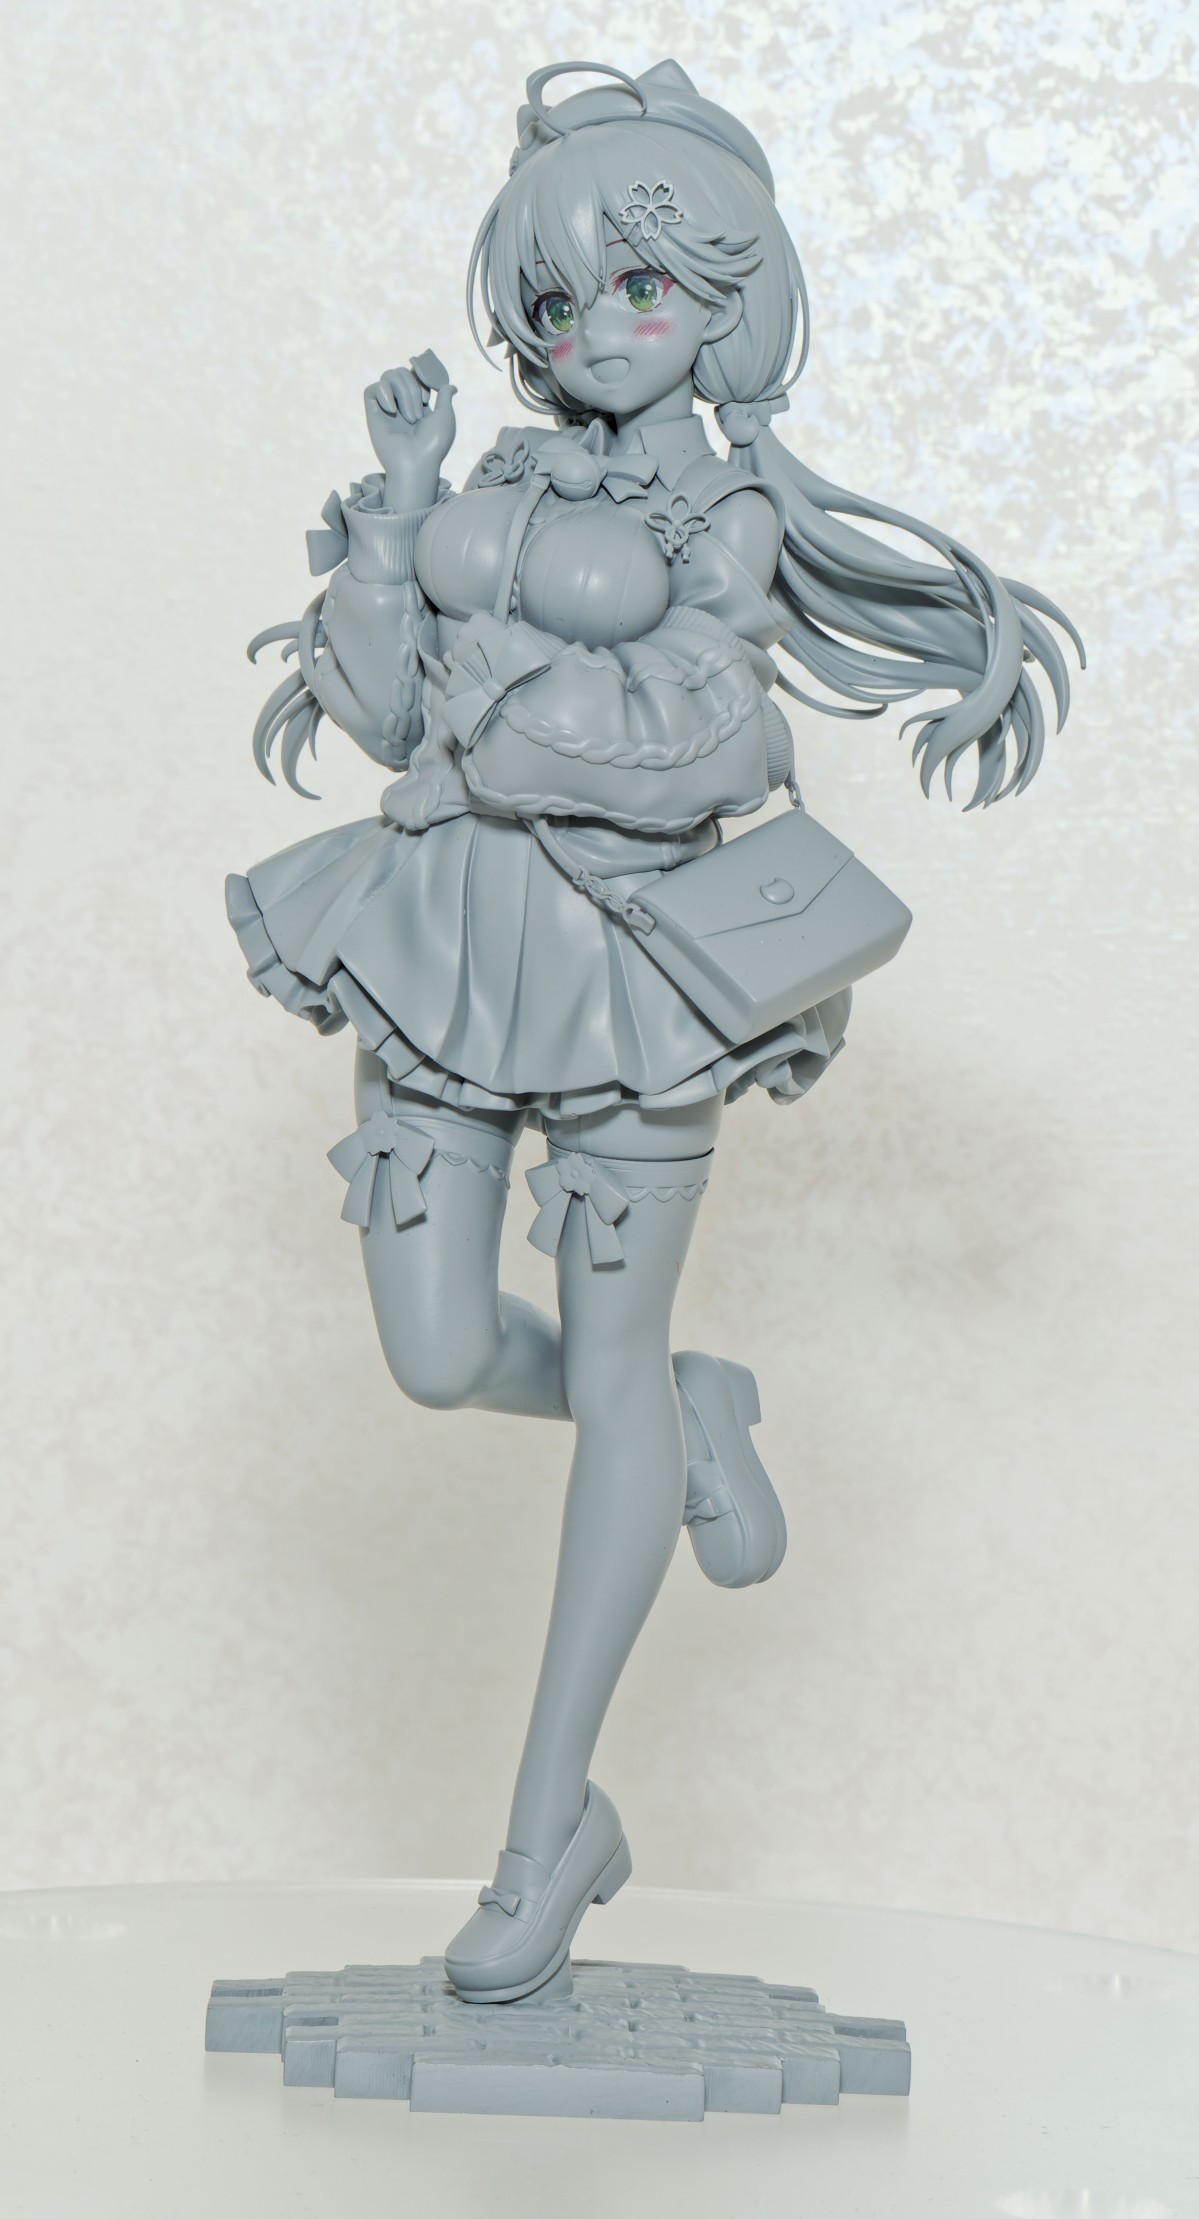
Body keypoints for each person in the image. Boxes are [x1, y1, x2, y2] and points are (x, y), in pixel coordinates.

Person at [227, 59, 1080, 2004]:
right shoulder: (504, 478)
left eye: (638, 288)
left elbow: (706, 735)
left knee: (603, 1367)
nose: (589, 327)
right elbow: (383, 709)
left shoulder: (727, 509)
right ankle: (688, 1407)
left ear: (723, 301)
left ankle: (550, 1834)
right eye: (555, 294)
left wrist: (495, 711)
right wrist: (397, 515)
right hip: (435, 947)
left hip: (631, 987)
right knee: (436, 1352)